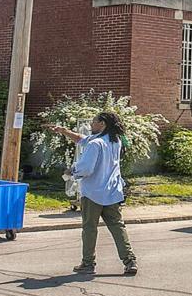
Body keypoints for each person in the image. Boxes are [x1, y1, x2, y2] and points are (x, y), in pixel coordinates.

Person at [44, 112, 137, 276]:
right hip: (112, 192)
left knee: (89, 228)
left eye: (94, 122)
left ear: (102, 124)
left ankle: (88, 264)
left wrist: (71, 171)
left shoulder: (96, 144)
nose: (91, 125)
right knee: (117, 226)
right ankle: (130, 261)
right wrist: (64, 131)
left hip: (93, 192)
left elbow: (86, 169)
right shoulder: (115, 141)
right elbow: (81, 139)